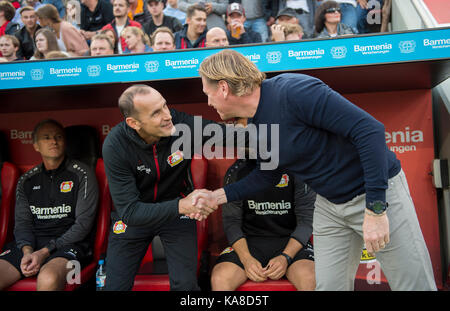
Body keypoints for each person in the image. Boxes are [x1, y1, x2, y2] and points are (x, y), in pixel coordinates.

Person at [195, 49, 437, 291]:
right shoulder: (255, 124)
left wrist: (375, 210)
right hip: (329, 205)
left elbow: (369, 130)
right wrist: (216, 196)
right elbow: (268, 174)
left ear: (224, 88)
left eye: (208, 94)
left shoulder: (293, 90)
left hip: (374, 195)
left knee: (413, 285)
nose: (209, 102)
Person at [102, 84, 232, 291]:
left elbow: (229, 134)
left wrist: (279, 136)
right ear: (133, 122)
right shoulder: (115, 145)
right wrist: (184, 205)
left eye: (165, 106)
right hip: (136, 216)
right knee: (115, 287)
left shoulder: (179, 124)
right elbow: (130, 212)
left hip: (175, 213)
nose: (167, 116)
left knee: (185, 286)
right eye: (155, 113)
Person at [0, 119, 98, 291]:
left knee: (48, 279)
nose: (54, 141)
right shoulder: (27, 180)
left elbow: (83, 225)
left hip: (71, 247)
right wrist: (28, 252)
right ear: (36, 145)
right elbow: (22, 224)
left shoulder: (82, 173)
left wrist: (44, 251)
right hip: (32, 247)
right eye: (46, 137)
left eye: (58, 137)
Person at [211, 153, 316, 291]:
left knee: (310, 278)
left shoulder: (297, 169)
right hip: (248, 243)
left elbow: (306, 221)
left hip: (290, 242)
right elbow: (231, 222)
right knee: (220, 278)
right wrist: (246, 259)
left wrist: (286, 257)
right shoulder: (238, 171)